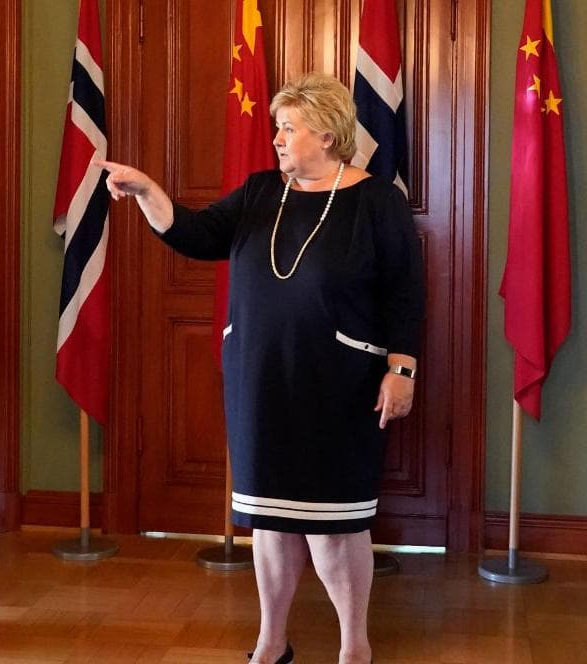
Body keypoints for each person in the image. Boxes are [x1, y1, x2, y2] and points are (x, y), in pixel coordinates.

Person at [97, 72, 423, 664]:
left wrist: (401, 371)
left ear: (325, 134)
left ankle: (355, 646)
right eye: (277, 127)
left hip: (339, 386)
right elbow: (194, 234)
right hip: (259, 381)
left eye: (288, 128)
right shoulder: (258, 192)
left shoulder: (378, 201)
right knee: (269, 518)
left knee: (334, 522)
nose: (276, 138)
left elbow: (404, 293)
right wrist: (147, 190)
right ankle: (272, 642)